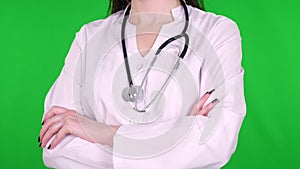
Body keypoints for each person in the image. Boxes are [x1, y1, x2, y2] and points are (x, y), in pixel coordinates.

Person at [38, 0, 246, 168]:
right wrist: (178, 139)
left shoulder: (218, 32)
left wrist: (100, 132)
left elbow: (216, 140)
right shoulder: (89, 36)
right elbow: (56, 143)